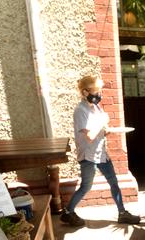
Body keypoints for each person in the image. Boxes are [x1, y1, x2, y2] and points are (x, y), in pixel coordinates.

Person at [60, 75, 140, 226]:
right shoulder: (80, 111)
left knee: (114, 182)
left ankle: (122, 213)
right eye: (95, 91)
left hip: (101, 153)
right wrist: (103, 122)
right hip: (88, 155)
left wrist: (107, 130)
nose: (98, 95)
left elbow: (99, 131)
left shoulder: (95, 107)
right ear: (84, 92)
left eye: (99, 91)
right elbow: (89, 136)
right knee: (86, 187)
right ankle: (68, 211)